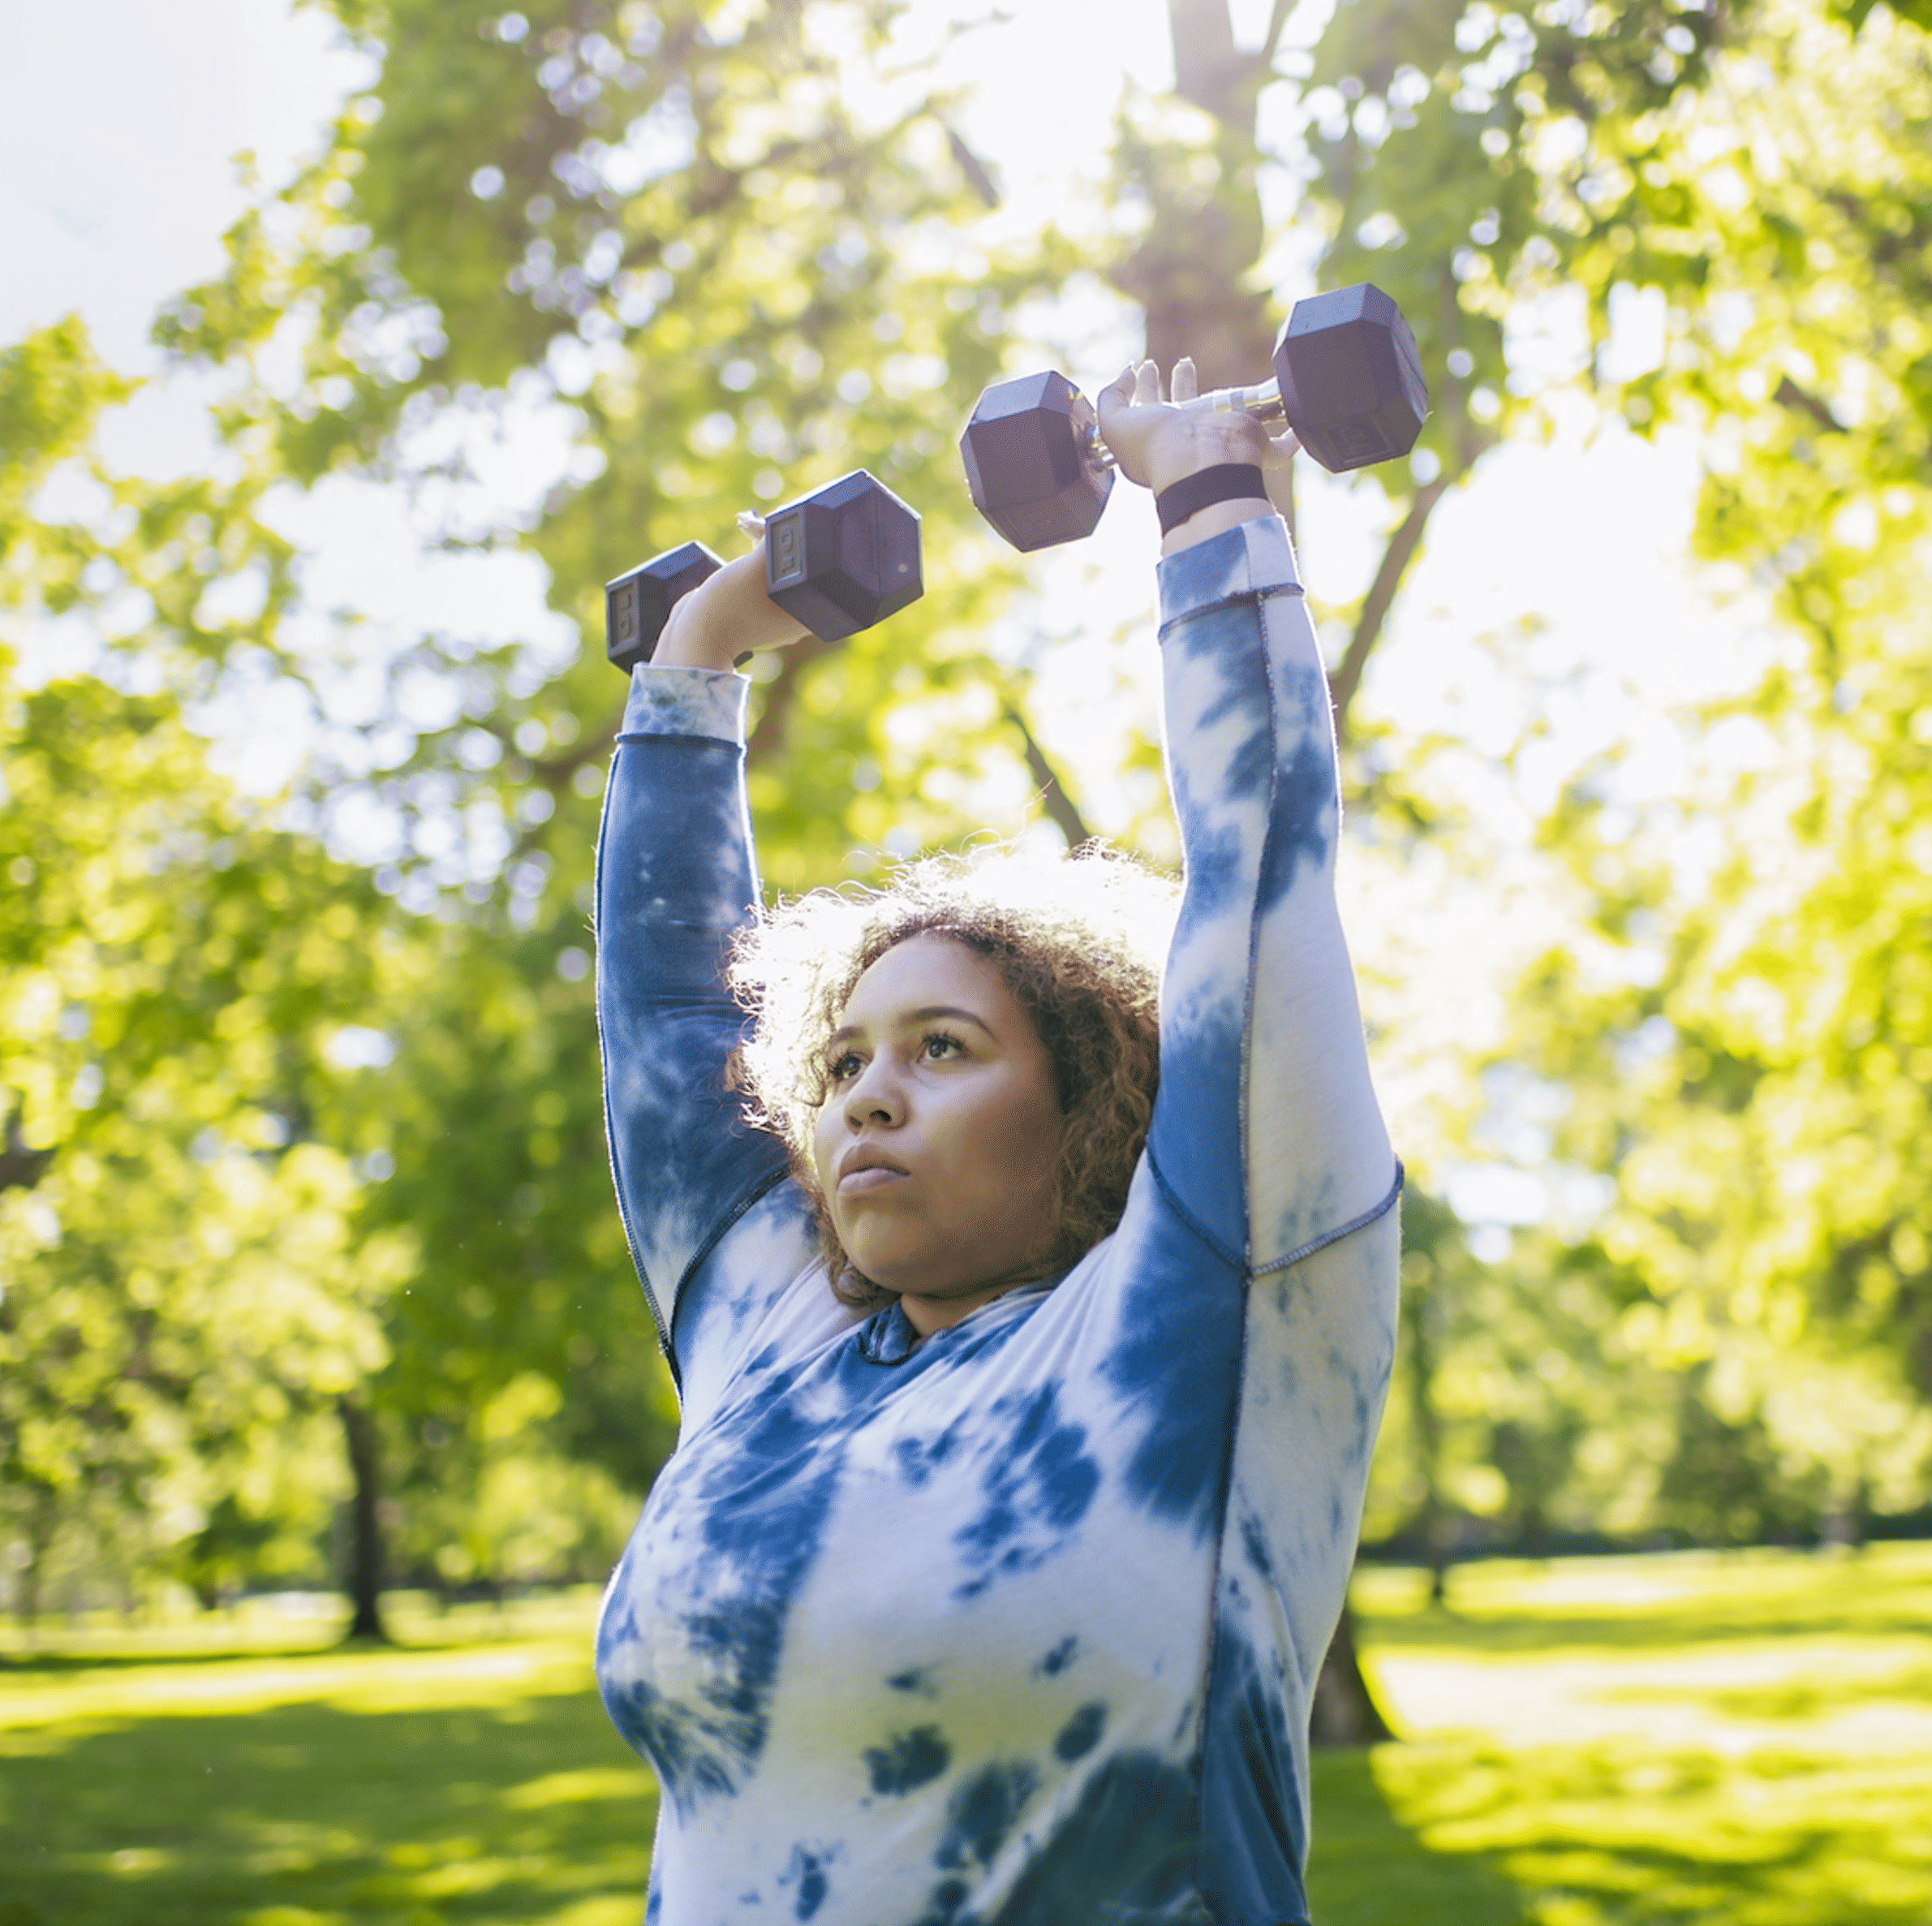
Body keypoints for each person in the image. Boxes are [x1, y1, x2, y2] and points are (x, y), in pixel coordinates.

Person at [592, 353, 1401, 1923]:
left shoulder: (1204, 1323)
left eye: (942, 1050)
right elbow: (676, 1031)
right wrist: (695, 660)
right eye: (842, 1062)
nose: (865, 1099)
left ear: (1101, 1101)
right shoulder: (770, 1336)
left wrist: (1210, 495)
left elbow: (1259, 891)